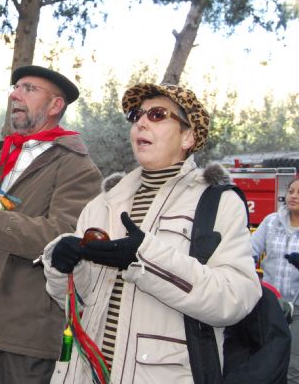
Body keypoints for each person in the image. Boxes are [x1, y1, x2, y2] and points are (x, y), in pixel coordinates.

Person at [43, 83, 262, 383]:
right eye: (137, 115)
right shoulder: (103, 203)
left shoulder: (217, 202)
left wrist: (145, 258)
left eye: (157, 114)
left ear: (188, 136)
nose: (142, 122)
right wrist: (63, 267)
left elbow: (236, 299)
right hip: (83, 373)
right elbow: (76, 302)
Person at [0, 65, 103, 384]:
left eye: (28, 89)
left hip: (23, 339)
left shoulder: (78, 169)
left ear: (55, 106)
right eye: (15, 88)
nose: (15, 95)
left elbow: (64, 237)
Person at [252, 177, 299, 382]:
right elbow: (249, 251)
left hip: (297, 309)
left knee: (292, 367)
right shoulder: (270, 221)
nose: (293, 196)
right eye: (291, 191)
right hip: (270, 304)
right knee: (266, 361)